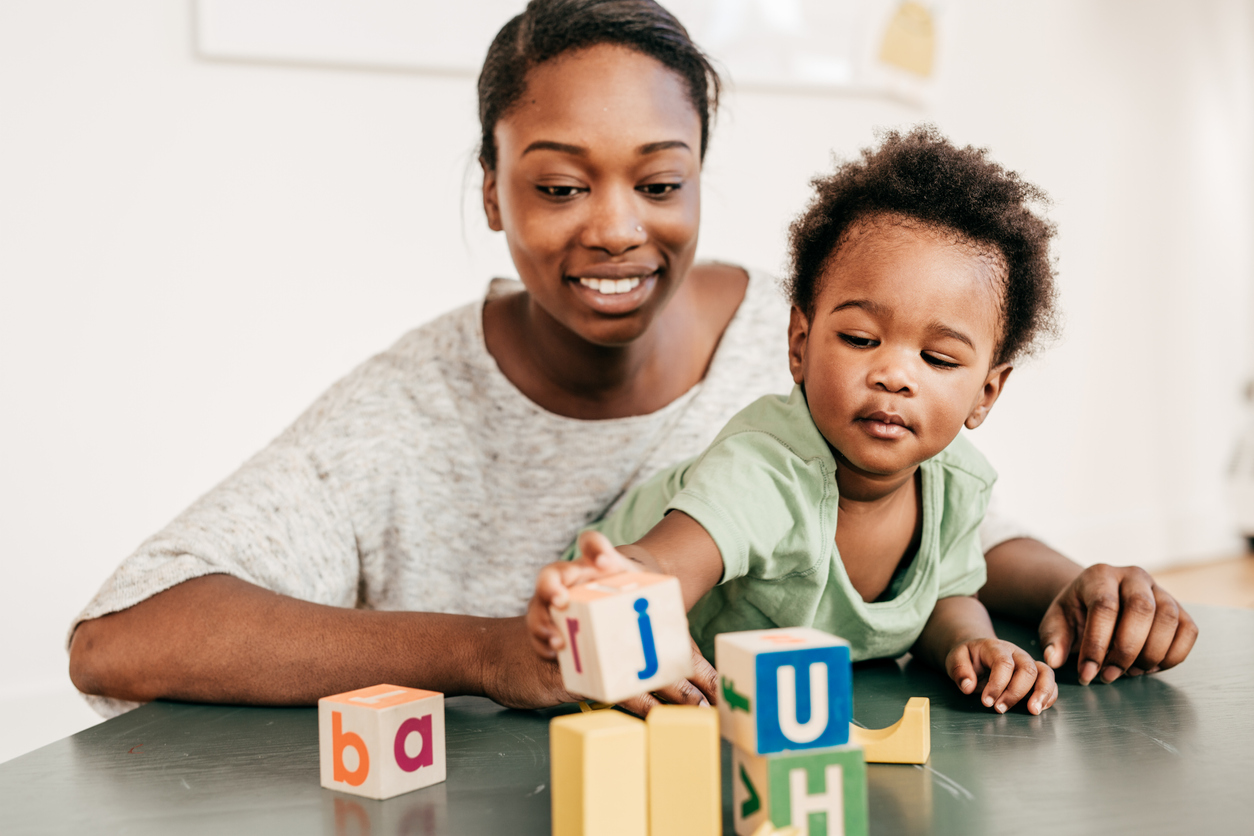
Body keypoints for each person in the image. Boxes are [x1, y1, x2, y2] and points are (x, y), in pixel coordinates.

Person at [68, 0, 1195, 719]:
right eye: (559, 184)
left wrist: (1082, 584)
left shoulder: (819, 335)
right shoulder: (409, 406)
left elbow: (953, 533)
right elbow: (124, 633)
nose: (615, 227)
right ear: (490, 190)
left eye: (660, 182)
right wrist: (487, 651)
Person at [530, 127, 1062, 714]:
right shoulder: (765, 470)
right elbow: (661, 564)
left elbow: (941, 596)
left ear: (986, 392)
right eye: (861, 338)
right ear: (800, 344)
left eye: (937, 359)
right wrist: (612, 585)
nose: (894, 375)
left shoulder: (960, 482)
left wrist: (972, 642)